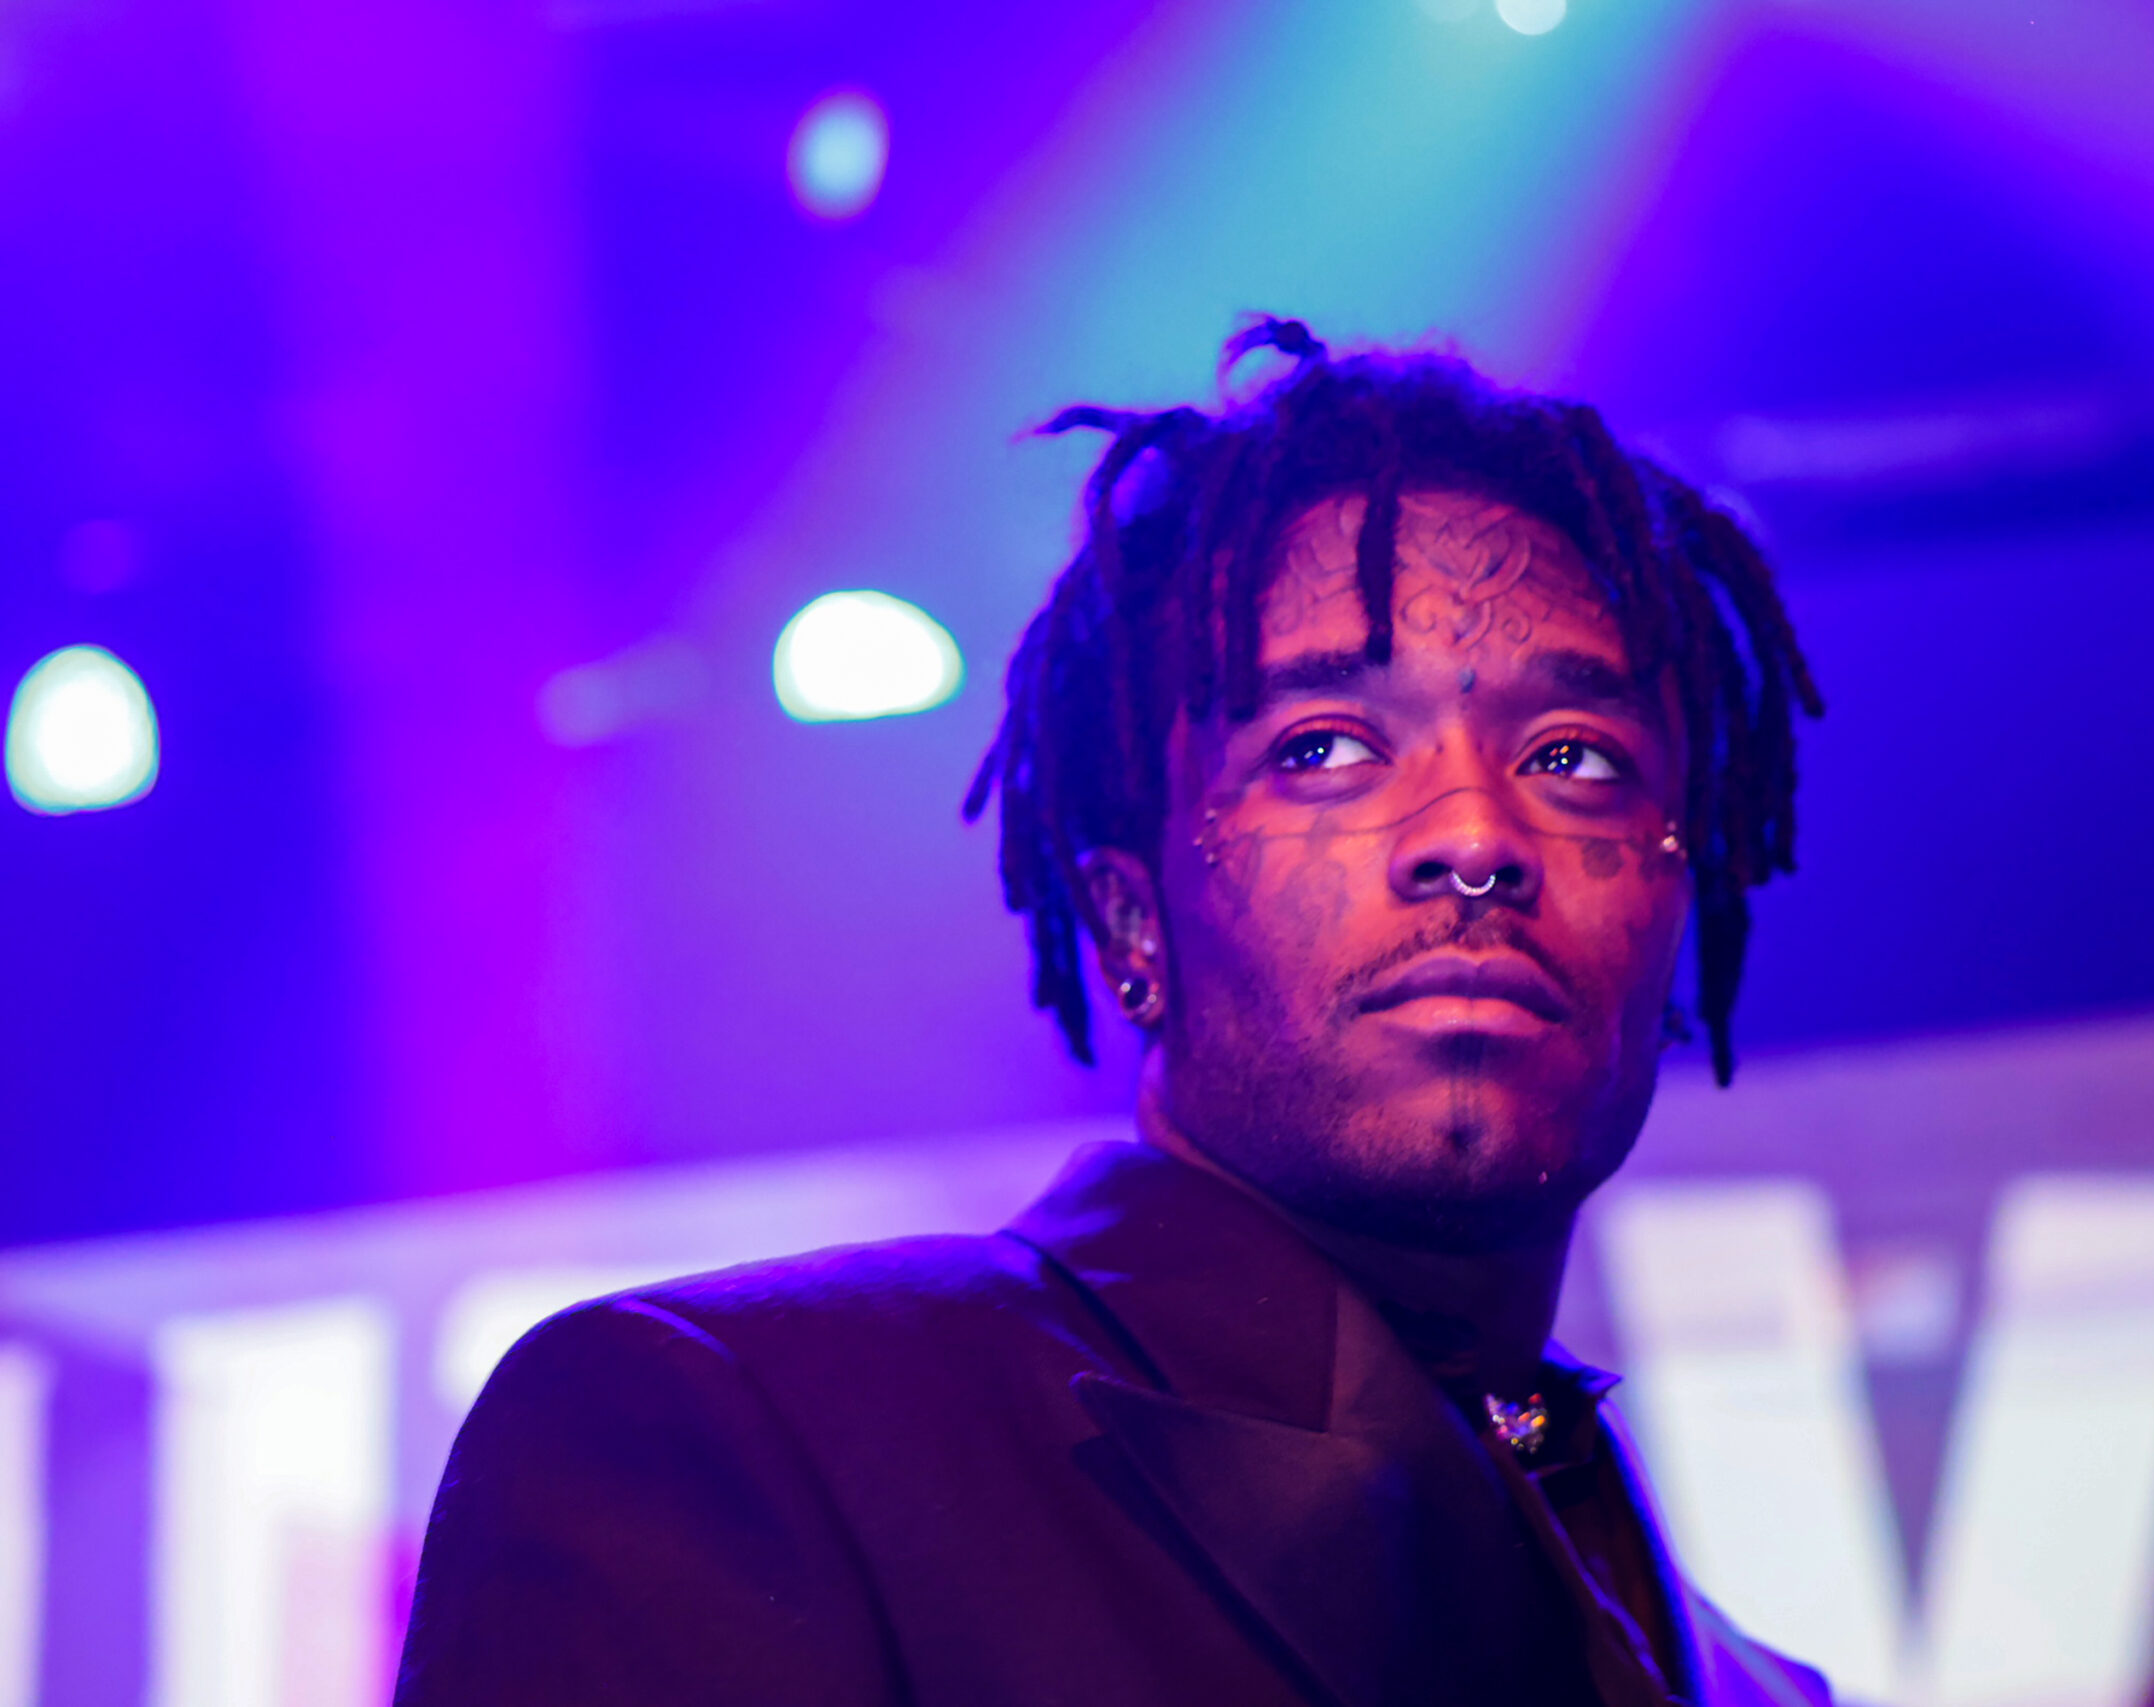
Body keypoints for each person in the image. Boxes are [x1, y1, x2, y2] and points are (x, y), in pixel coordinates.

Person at [395, 318, 1829, 1707]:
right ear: (1135, 919)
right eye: (1325, 748)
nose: (1474, 835)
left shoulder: (1763, 1689)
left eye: (1576, 758)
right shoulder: (730, 1431)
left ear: (1680, 891)